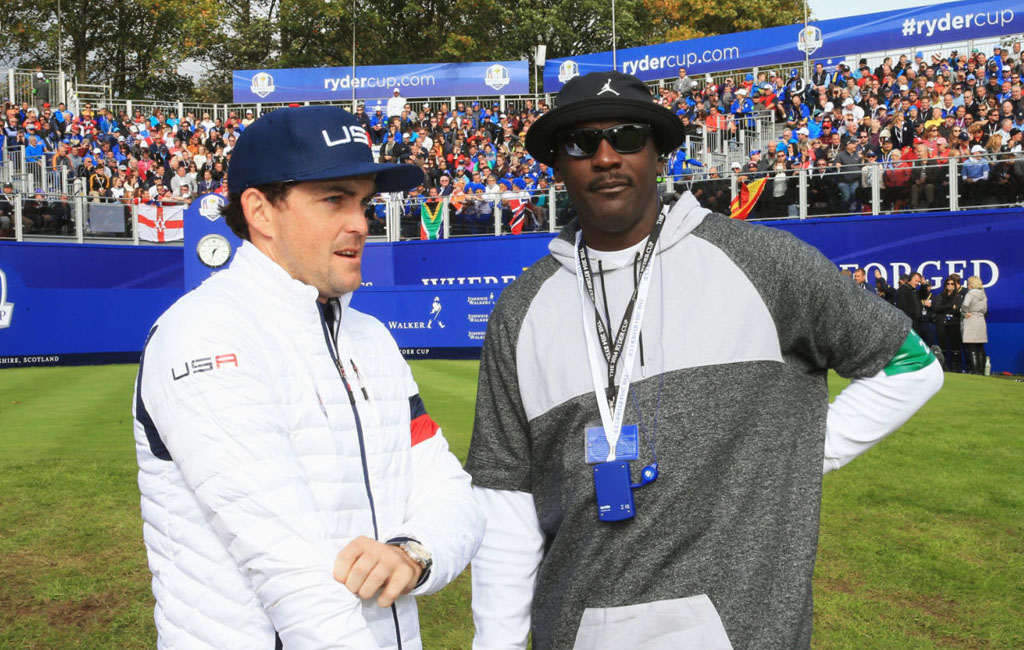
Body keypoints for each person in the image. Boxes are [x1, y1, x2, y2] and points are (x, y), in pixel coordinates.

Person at [466, 70, 943, 650]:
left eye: (629, 135)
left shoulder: (765, 261)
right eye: (581, 142)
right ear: (557, 165)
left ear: (661, 153)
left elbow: (910, 365)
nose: (606, 155)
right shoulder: (521, 309)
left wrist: (794, 454)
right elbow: (506, 502)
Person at [132, 105, 484, 650]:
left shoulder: (371, 337)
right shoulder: (205, 333)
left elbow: (449, 490)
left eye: (364, 202)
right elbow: (291, 572)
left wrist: (415, 552)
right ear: (261, 211)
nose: (360, 223)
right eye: (333, 200)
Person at [961, 275, 989, 374]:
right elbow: (985, 310)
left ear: (971, 285)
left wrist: (965, 312)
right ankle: (981, 370)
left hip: (971, 319)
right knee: (979, 346)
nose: (967, 286)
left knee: (971, 346)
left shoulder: (970, 294)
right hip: (981, 320)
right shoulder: (983, 293)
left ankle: (975, 370)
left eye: (968, 284)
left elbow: (965, 305)